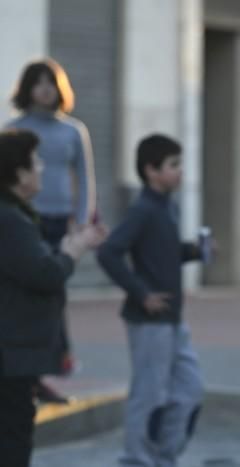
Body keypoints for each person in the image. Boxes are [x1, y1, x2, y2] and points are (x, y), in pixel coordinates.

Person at [97, 134, 205, 467]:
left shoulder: (166, 207)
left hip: (173, 319)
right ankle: (136, 460)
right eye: (173, 165)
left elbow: (163, 254)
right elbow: (109, 252)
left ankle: (163, 457)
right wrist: (141, 293)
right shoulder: (142, 209)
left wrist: (194, 251)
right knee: (149, 397)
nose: (180, 172)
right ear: (151, 170)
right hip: (149, 322)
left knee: (189, 389)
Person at [0, 129, 105, 467]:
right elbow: (45, 274)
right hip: (10, 355)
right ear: (18, 174)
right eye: (36, 161)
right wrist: (74, 248)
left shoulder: (14, 215)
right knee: (13, 439)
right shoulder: (11, 220)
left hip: (13, 353)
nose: (43, 168)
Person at [4, 58, 96, 403]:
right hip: (24, 221)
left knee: (54, 295)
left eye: (50, 82)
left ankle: (49, 366)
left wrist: (82, 218)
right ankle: (33, 372)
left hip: (60, 221)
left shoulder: (74, 130)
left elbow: (85, 178)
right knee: (33, 294)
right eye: (37, 82)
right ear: (27, 88)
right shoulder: (14, 129)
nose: (44, 89)